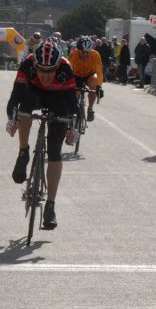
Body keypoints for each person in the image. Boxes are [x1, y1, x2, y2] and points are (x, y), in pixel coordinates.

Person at [6, 39, 78, 230]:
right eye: (42, 71)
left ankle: (50, 207)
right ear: (35, 65)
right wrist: (13, 120)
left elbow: (73, 104)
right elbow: (15, 98)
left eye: (50, 71)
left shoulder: (66, 68)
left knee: (55, 152)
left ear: (57, 67)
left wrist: (73, 129)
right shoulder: (27, 64)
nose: (46, 76)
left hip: (60, 99)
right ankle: (24, 152)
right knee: (24, 107)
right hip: (34, 95)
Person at [68, 36, 103, 122]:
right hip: (76, 75)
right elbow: (68, 71)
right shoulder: (73, 54)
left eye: (88, 52)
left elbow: (99, 71)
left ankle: (90, 109)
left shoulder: (95, 55)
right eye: (83, 52)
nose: (85, 55)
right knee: (76, 94)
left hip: (90, 75)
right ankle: (74, 108)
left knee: (94, 84)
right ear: (78, 50)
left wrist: (99, 86)